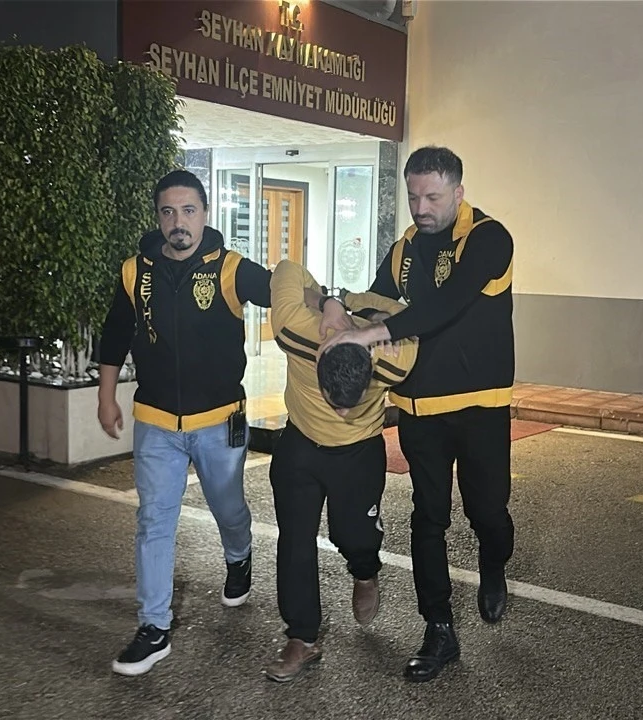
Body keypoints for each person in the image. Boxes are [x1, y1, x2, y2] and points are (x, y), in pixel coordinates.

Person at [318, 146, 515, 683]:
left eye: (432, 196)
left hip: (481, 406)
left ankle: (493, 561)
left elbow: (444, 306)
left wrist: (369, 334)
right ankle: (438, 629)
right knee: (428, 518)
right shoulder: (405, 247)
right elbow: (377, 299)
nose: (421, 208)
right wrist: (337, 304)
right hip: (419, 407)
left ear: (458, 191)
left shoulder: (489, 238)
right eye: (412, 197)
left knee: (489, 514)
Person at [97, 169, 272, 677]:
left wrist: (326, 305)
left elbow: (282, 293)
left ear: (205, 214)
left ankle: (239, 554)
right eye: (168, 212)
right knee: (153, 521)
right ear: (158, 217)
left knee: (228, 508)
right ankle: (154, 628)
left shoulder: (231, 269)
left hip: (219, 420)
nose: (179, 222)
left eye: (188, 211)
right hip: (155, 421)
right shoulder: (135, 272)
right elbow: (115, 333)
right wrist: (106, 395)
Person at [260, 259, 418, 683]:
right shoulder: (293, 329)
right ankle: (302, 637)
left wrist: (352, 305)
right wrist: (327, 300)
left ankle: (365, 572)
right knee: (294, 540)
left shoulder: (396, 358)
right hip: (300, 445)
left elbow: (409, 314)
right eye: (336, 401)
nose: (343, 411)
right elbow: (287, 269)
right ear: (318, 358)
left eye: (352, 400)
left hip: (358, 452)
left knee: (354, 537)